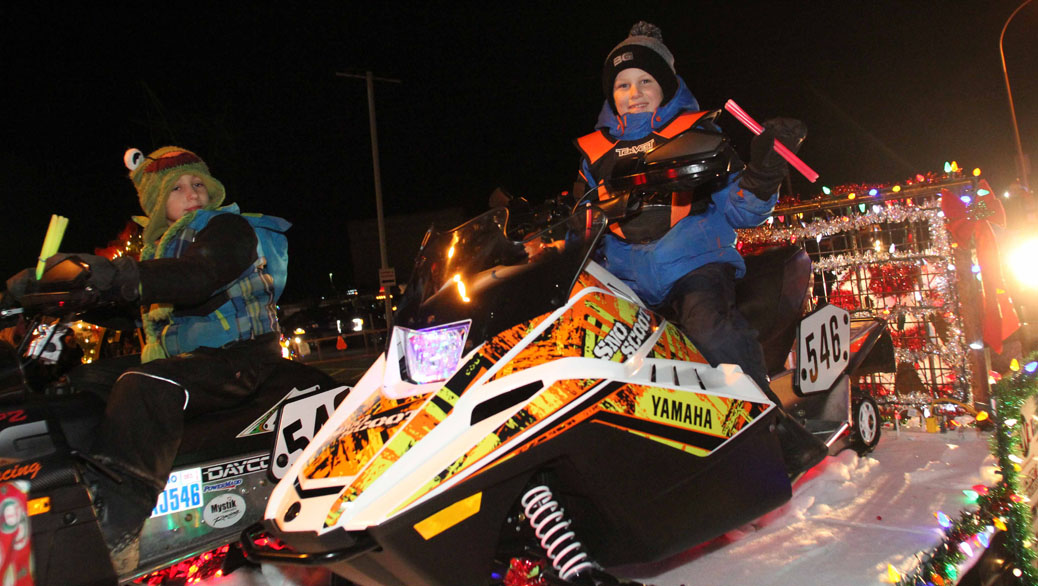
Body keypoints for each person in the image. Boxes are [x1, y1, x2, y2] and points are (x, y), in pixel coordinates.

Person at [7, 146, 290, 573]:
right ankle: (74, 489)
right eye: (176, 188)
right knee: (82, 384)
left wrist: (115, 276)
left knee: (145, 384)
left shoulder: (227, 228)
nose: (192, 193)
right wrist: (68, 295)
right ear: (157, 202)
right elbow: (138, 309)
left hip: (242, 358)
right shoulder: (161, 247)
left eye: (198, 184)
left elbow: (198, 277)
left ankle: (117, 530)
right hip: (191, 359)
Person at [574, 22, 826, 477]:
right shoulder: (596, 154)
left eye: (645, 81)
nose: (634, 93)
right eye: (623, 84)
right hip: (624, 276)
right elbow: (579, 220)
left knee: (710, 329)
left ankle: (772, 428)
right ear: (611, 94)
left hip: (693, 264)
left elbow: (739, 209)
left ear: (666, 86)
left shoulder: (698, 133)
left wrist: (763, 174)